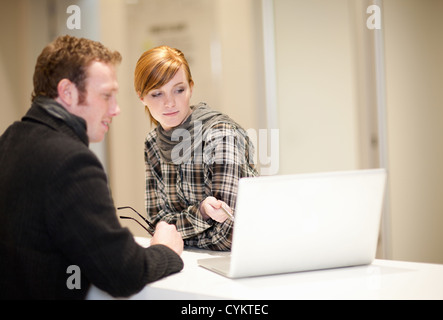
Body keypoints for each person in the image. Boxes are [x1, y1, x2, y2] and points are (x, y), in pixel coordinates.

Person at [0, 35, 184, 300]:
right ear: (67, 92)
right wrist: (165, 249)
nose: (116, 109)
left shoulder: (9, 140)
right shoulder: (71, 162)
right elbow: (123, 274)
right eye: (106, 96)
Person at [134, 45, 259, 251]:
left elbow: (230, 234)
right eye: (157, 94)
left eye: (179, 90)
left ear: (191, 87)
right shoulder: (152, 143)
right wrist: (201, 212)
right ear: (142, 98)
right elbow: (158, 223)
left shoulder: (222, 135)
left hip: (239, 260)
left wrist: (177, 238)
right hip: (187, 263)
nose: (170, 103)